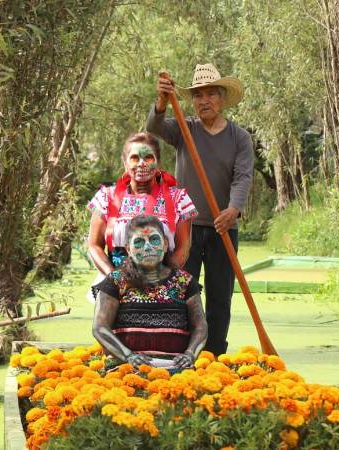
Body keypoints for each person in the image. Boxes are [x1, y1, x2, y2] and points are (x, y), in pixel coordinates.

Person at [147, 63, 253, 356]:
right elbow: (153, 128)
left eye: (210, 95)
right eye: (197, 96)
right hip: (187, 229)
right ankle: (184, 353)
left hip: (223, 228)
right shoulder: (185, 128)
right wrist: (161, 101)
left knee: (220, 298)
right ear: (191, 100)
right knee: (183, 293)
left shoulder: (239, 138)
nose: (203, 101)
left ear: (221, 98)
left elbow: (242, 177)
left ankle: (214, 354)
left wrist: (234, 209)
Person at [86, 132, 197, 303]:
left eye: (149, 158)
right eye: (135, 158)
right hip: (115, 288)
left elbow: (183, 248)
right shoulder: (106, 197)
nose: (142, 164)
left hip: (162, 288)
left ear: (158, 162)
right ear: (125, 163)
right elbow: (94, 245)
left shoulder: (179, 199)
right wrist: (114, 280)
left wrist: (160, 282)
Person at [92, 215, 207, 369]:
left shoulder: (184, 281)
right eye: (139, 242)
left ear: (165, 244)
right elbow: (99, 327)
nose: (147, 247)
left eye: (154, 240)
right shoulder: (116, 281)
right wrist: (128, 355)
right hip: (125, 369)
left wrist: (190, 354)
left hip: (176, 368)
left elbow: (200, 326)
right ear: (128, 249)